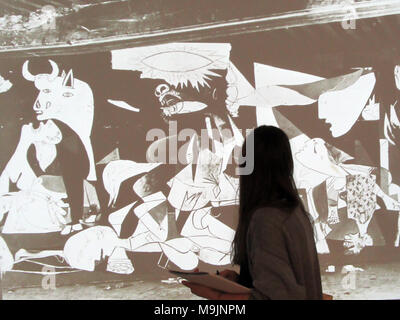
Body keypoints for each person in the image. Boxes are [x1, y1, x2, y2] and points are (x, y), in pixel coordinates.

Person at [182, 125, 330, 300]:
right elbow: (285, 282)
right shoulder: (294, 211)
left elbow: (274, 297)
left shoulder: (267, 219)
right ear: (287, 162)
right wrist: (241, 280)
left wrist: (216, 295)